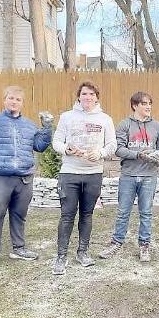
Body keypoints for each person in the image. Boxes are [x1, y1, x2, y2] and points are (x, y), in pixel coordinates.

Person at [0, 85, 53, 271]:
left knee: (19, 214)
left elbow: (39, 146)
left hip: (23, 178)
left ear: (22, 103)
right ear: (4, 100)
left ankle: (19, 248)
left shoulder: (30, 125)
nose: (14, 102)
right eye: (11, 98)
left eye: (18, 99)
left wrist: (47, 128)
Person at [51, 81, 116, 275]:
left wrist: (101, 153)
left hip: (93, 174)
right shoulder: (67, 117)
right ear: (78, 96)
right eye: (84, 94)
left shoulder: (105, 119)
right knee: (67, 215)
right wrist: (66, 149)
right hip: (70, 173)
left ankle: (83, 252)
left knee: (87, 215)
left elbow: (112, 144)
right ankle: (61, 256)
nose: (88, 97)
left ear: (97, 97)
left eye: (92, 94)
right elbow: (56, 141)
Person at [99, 91, 159, 262]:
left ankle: (144, 246)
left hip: (149, 176)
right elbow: (118, 149)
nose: (148, 106)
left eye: (150, 103)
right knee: (123, 212)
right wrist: (139, 155)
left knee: (146, 213)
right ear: (135, 105)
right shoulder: (124, 125)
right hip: (128, 175)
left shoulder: (157, 126)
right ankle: (117, 242)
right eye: (144, 103)